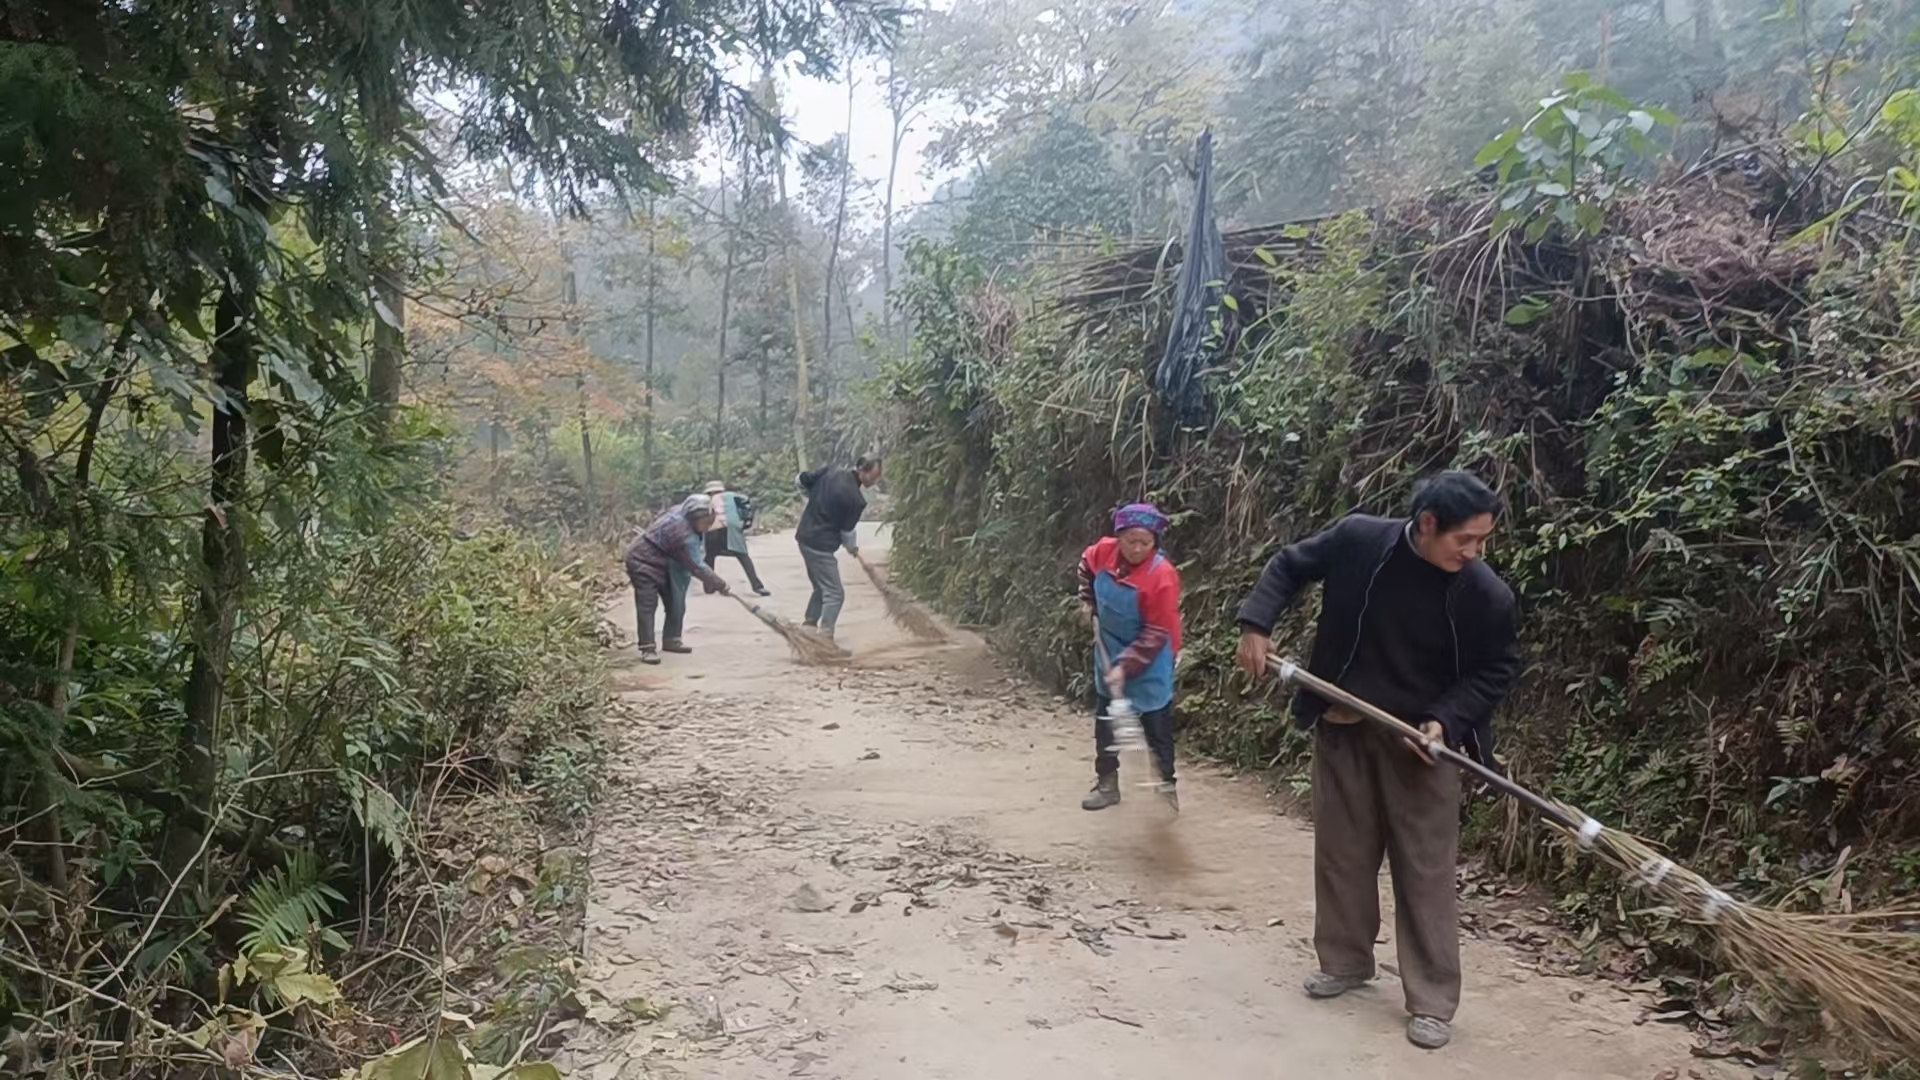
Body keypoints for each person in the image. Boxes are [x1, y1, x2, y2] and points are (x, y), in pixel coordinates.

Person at [1232, 471, 1520, 1052]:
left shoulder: (1485, 594)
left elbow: (1495, 670)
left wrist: (1445, 720)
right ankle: (1344, 961)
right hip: (1344, 723)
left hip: (1421, 741)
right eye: (1466, 540)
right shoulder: (1361, 540)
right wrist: (1256, 623)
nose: (1475, 553)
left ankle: (1433, 1000)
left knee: (1425, 869)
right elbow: (1290, 565)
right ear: (1428, 523)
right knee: (1342, 850)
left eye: (1483, 541)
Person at [1077, 503, 1183, 813]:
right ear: (1118, 537)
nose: (1137, 548)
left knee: (1157, 731)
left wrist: (1126, 667)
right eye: (1131, 541)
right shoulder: (1103, 553)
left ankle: (1166, 792)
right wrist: (1088, 601)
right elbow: (1085, 566)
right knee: (1106, 724)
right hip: (1108, 648)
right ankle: (1107, 784)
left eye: (1145, 543)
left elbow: (1156, 631)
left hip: (1150, 660)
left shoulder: (1161, 575)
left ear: (1155, 542)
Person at [624, 494, 731, 664]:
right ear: (696, 518)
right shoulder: (683, 534)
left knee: (676, 601)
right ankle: (647, 647)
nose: (709, 526)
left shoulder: (682, 514)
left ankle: (671, 639)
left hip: (665, 562)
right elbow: (697, 566)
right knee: (647, 604)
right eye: (707, 522)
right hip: (642, 562)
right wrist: (720, 584)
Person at [794, 455, 883, 640]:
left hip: (804, 537)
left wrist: (814, 498)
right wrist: (852, 547)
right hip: (820, 546)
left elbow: (802, 480)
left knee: (821, 586)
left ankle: (809, 627)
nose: (874, 481)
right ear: (861, 469)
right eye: (873, 477)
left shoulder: (829, 471)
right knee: (835, 593)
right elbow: (847, 532)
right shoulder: (856, 500)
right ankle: (825, 638)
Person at [702, 480, 770, 596]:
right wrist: (744, 522)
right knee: (743, 556)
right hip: (732, 528)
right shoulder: (733, 496)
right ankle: (758, 586)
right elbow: (747, 503)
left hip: (713, 530)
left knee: (709, 557)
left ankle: (709, 587)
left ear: (709, 492)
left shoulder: (706, 501)